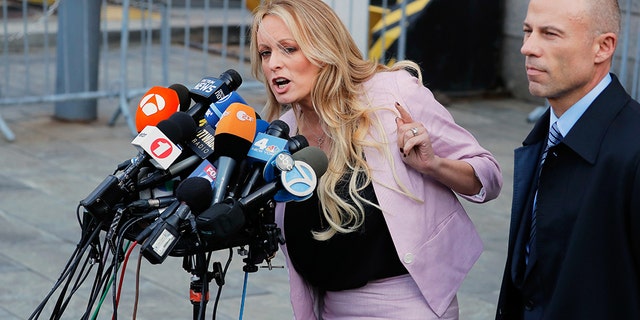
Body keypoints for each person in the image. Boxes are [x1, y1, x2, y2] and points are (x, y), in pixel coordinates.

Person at [248, 0, 503, 319]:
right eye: (265, 53)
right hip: (329, 308)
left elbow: (488, 176)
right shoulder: (280, 134)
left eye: (288, 49)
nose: (273, 64)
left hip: (408, 306)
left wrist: (433, 164)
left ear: (324, 48)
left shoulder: (392, 95)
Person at [496, 0, 640, 319]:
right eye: (526, 31)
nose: (528, 48)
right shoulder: (547, 132)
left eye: (550, 34)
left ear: (603, 47)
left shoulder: (632, 150)